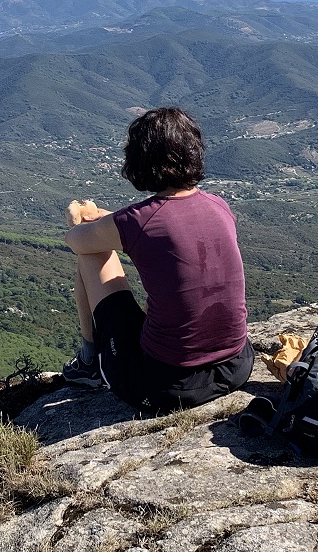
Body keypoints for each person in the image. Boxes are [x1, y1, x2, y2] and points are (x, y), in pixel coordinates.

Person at [62, 107, 254, 414]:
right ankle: (89, 360)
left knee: (91, 253)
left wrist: (81, 221)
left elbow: (76, 242)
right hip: (237, 365)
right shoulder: (219, 206)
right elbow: (165, 228)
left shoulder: (139, 222)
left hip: (167, 386)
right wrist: (111, 220)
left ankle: (88, 362)